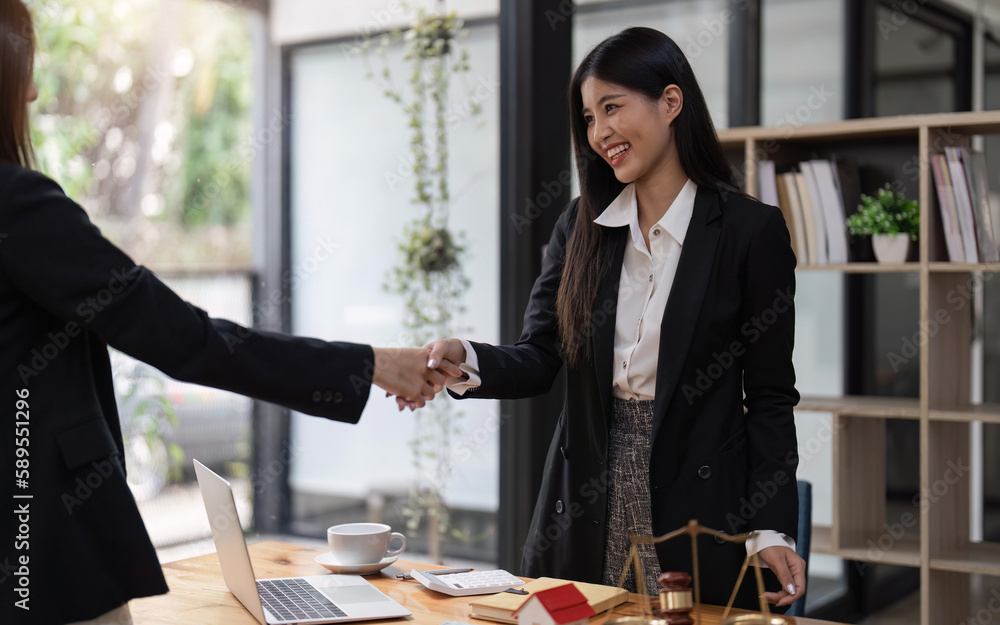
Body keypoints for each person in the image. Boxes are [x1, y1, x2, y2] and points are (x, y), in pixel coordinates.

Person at [0, 2, 453, 623]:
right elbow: (183, 338)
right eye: (26, 65)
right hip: (44, 543)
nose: (31, 89)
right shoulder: (18, 205)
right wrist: (370, 364)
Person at [420, 27, 805, 610]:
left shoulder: (750, 233)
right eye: (589, 116)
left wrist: (771, 527)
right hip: (583, 501)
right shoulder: (580, 227)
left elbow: (771, 396)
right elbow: (540, 355)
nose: (600, 132)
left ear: (670, 103)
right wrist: (466, 358)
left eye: (612, 107)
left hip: (697, 504)